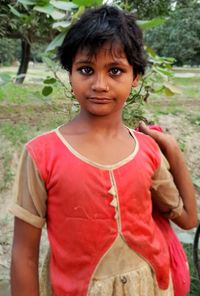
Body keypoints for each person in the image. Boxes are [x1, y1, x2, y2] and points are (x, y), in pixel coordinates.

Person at [10, 5, 197, 296]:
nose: (100, 84)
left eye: (115, 71)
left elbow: (188, 219)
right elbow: (24, 255)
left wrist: (172, 150)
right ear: (70, 74)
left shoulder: (146, 149)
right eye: (86, 69)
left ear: (135, 77)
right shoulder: (41, 154)